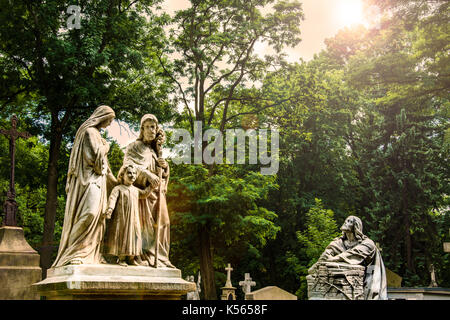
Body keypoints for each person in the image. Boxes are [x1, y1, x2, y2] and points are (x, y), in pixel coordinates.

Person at [52, 105, 117, 267]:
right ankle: (73, 251)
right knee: (89, 213)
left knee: (99, 217)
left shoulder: (97, 135)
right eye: (109, 120)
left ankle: (92, 254)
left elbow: (105, 168)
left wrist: (116, 182)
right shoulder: (89, 133)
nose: (109, 124)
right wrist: (107, 146)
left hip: (99, 181)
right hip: (87, 181)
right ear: (102, 117)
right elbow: (97, 159)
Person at [123, 114, 174, 268]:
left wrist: (164, 166)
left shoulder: (154, 150)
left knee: (164, 223)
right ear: (142, 129)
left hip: (157, 193)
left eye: (153, 127)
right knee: (145, 227)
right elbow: (126, 166)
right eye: (148, 127)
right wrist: (146, 174)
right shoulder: (134, 147)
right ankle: (146, 255)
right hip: (142, 193)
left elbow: (163, 175)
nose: (151, 130)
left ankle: (162, 258)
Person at [309, 215, 388, 300]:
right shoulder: (338, 242)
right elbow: (326, 255)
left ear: (356, 226)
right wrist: (316, 266)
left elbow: (354, 253)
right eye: (346, 220)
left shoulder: (368, 243)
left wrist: (334, 259)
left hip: (370, 270)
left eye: (349, 221)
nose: (345, 223)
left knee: (371, 290)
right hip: (344, 281)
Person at [103, 164, 153, 266]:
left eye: (134, 173)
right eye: (129, 173)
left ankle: (131, 258)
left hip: (134, 219)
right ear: (123, 175)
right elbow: (112, 199)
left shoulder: (135, 190)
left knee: (134, 236)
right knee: (122, 236)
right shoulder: (118, 188)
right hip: (122, 219)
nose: (132, 175)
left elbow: (144, 194)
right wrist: (109, 209)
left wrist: (151, 187)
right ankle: (121, 258)